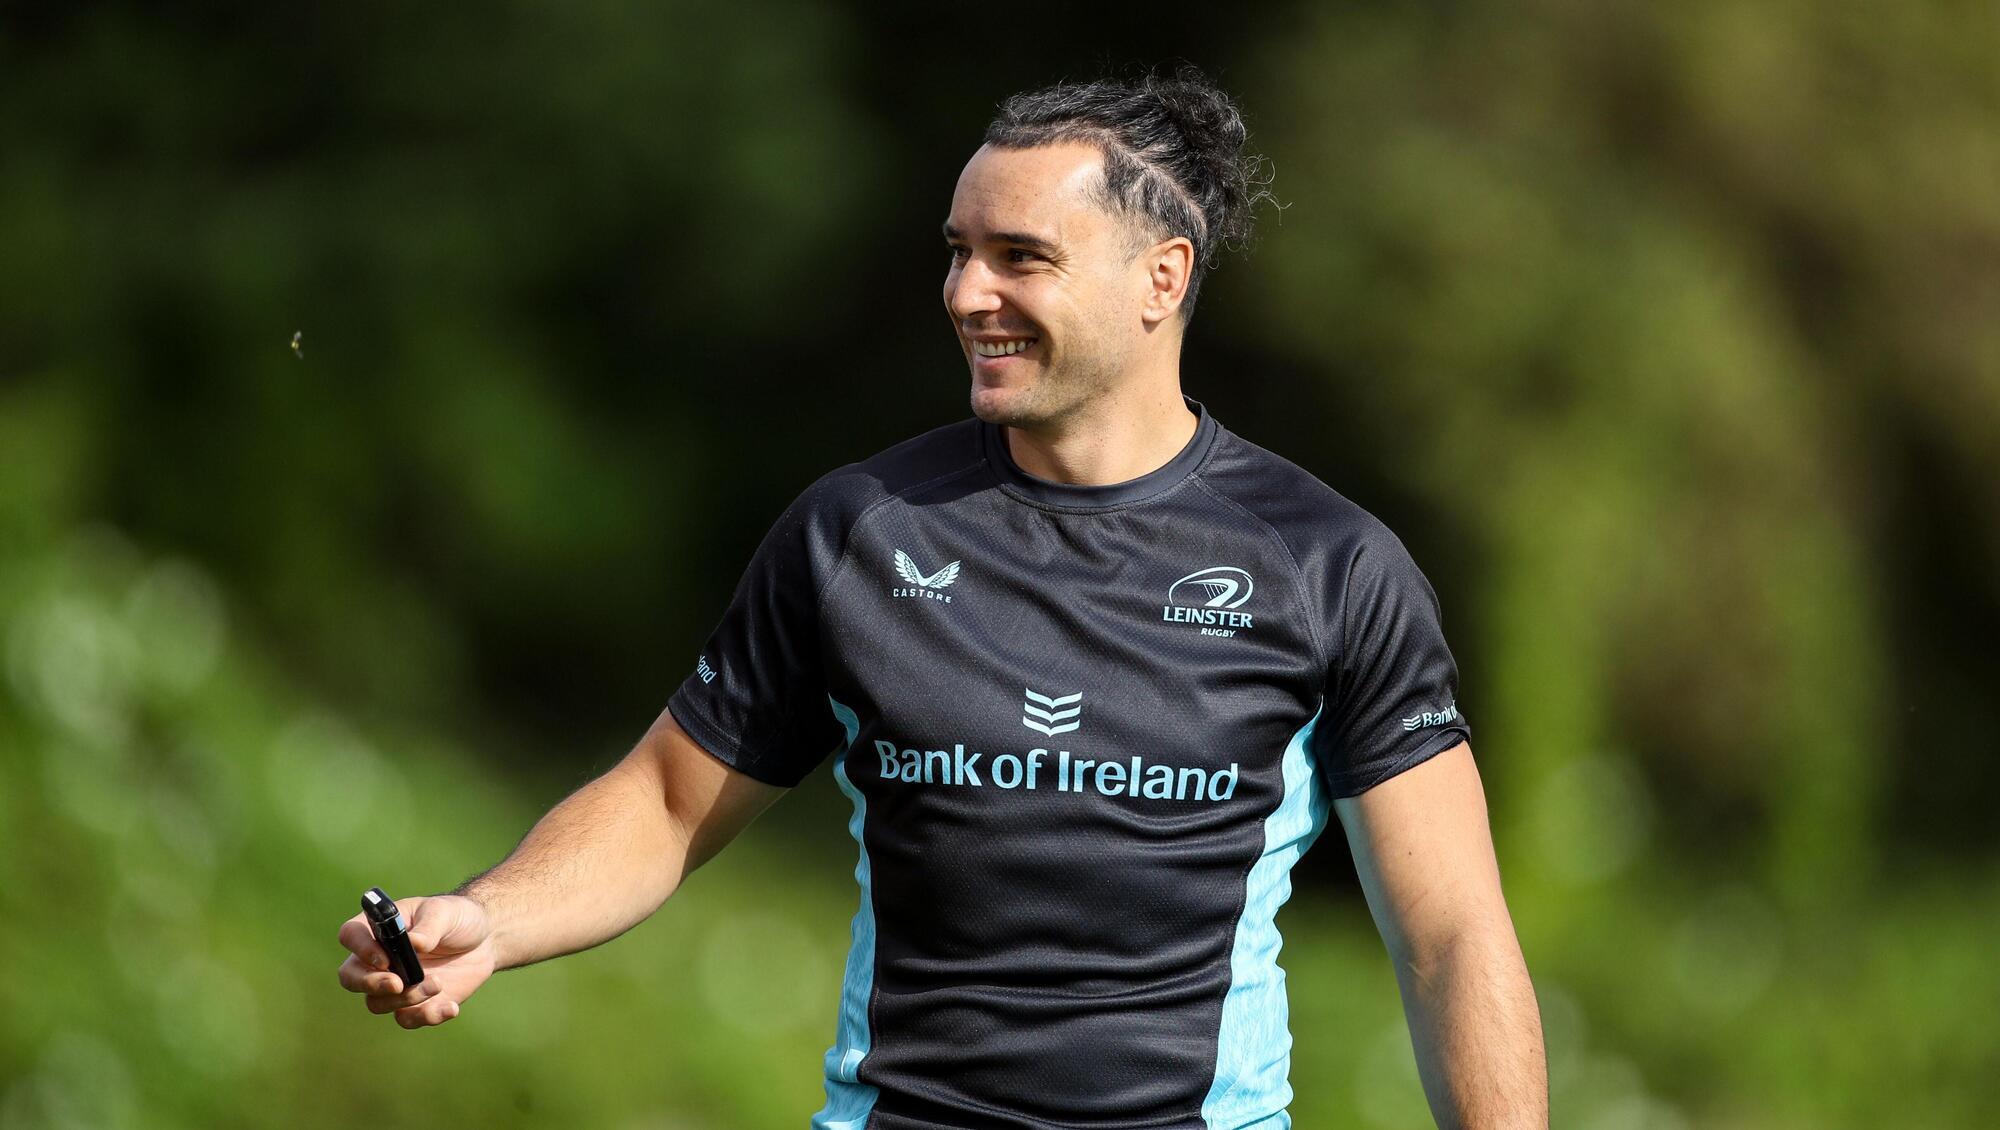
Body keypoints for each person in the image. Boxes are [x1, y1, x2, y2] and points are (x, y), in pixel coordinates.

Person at [336, 63, 1548, 1129]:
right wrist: (492, 916)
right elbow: (663, 801)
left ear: (1160, 277)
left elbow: (1448, 934)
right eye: (959, 251)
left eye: (1021, 256)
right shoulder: (860, 530)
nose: (968, 293)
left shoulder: (1328, 564)